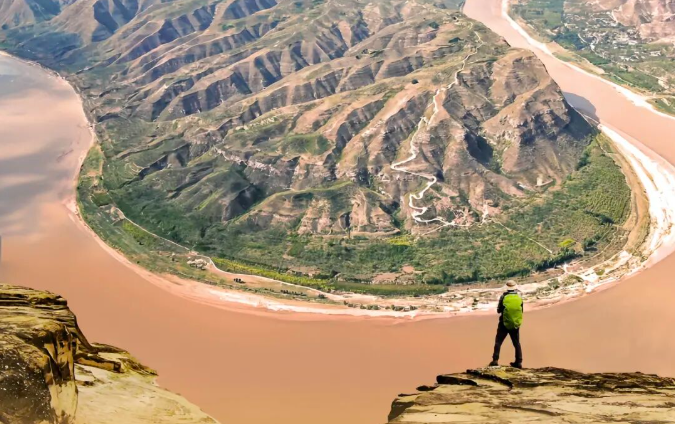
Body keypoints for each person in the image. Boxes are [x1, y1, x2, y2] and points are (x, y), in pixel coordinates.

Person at [489, 280, 523, 369]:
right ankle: (518, 362)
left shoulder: (503, 296)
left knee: (498, 342)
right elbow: (521, 310)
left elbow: (498, 310)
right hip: (515, 323)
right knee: (516, 343)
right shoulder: (519, 296)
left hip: (504, 323)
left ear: (507, 287)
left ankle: (495, 360)